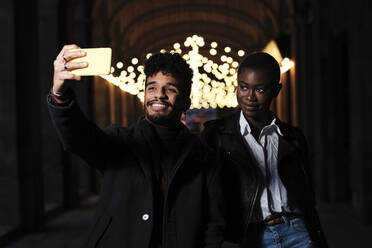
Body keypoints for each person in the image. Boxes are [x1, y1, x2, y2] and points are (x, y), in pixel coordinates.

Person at [48, 44, 224, 248]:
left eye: (170, 89)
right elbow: (78, 137)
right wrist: (60, 95)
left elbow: (214, 225)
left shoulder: (204, 157)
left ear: (186, 102)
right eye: (152, 87)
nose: (159, 95)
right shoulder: (119, 141)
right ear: (144, 95)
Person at [202, 52, 327, 247]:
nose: (250, 97)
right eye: (243, 87)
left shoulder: (293, 137)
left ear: (276, 90)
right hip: (249, 236)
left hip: (297, 233)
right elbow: (207, 196)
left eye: (259, 89)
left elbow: (307, 195)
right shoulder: (216, 135)